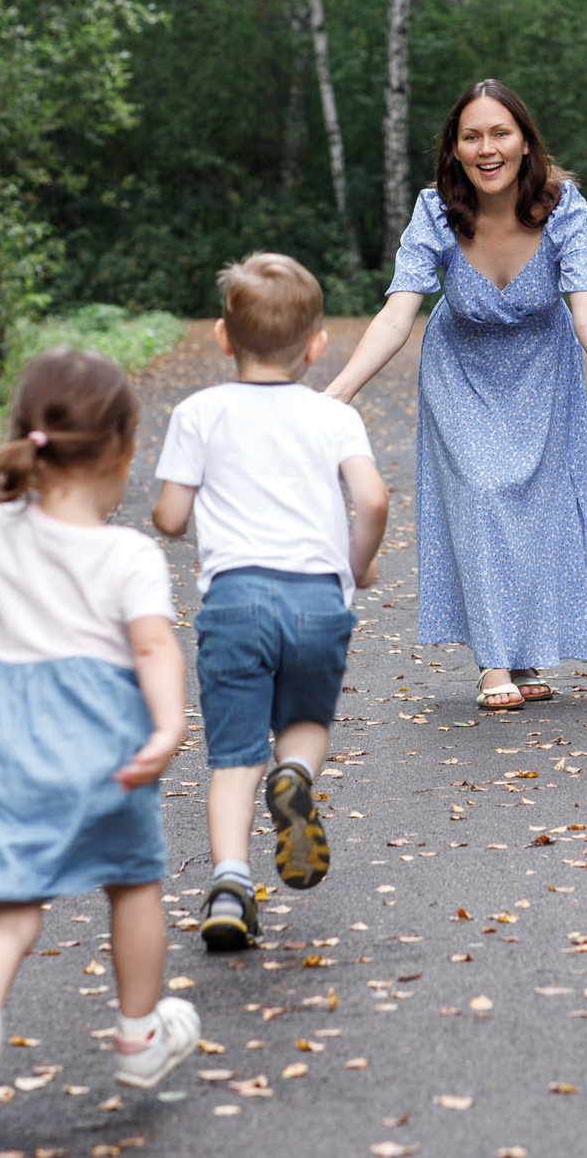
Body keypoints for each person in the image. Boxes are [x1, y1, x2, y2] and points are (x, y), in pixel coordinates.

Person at [323, 79, 587, 712]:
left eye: (499, 133)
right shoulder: (435, 210)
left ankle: (524, 654)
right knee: (483, 496)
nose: (487, 148)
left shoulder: (564, 206)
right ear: (454, 150)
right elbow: (398, 312)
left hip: (545, 371)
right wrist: (340, 392)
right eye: (471, 136)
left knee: (537, 508)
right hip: (461, 370)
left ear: (523, 142)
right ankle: (493, 661)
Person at [0, 350, 201, 1147]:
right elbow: (153, 650)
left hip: (7, 738)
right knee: (132, 879)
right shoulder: (128, 555)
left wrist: (3, 664)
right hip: (103, 734)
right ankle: (140, 1035)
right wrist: (166, 726)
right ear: (120, 453)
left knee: (10, 908)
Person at [151, 253, 389, 951]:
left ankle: (229, 883)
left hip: (235, 603)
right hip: (319, 602)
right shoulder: (331, 415)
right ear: (316, 347)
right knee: (306, 720)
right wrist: (357, 564)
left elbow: (169, 517)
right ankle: (297, 776)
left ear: (223, 336)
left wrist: (176, 515)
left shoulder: (199, 412)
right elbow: (371, 498)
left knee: (231, 757)